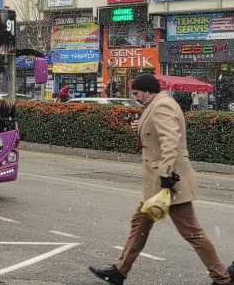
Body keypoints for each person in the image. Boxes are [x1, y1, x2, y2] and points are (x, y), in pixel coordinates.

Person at [89, 73, 232, 285]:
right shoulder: (156, 104)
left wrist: (166, 175)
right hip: (158, 183)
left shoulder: (162, 106)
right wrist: (141, 129)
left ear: (147, 91)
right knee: (140, 224)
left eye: (136, 93)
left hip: (169, 182)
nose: (135, 97)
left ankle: (222, 278)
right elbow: (158, 135)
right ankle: (120, 271)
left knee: (192, 232)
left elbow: (170, 141)